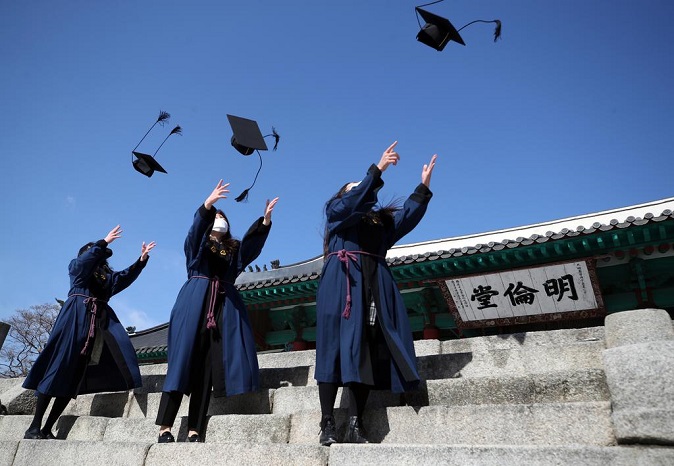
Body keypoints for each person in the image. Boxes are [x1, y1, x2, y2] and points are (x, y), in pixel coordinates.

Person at [315, 141, 437, 445]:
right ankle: (327, 421)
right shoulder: (337, 212)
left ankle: (356, 422)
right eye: (356, 188)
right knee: (332, 349)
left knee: (365, 349)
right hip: (341, 282)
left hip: (373, 284)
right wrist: (377, 171)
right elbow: (352, 200)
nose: (362, 191)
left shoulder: (378, 222)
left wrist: (421, 190)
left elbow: (404, 219)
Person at [156, 180, 279, 443]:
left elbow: (250, 248)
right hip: (194, 302)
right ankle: (165, 427)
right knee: (181, 364)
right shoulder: (197, 247)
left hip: (224, 305)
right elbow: (194, 233)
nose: (219, 218)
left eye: (222, 215)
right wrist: (208, 206)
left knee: (206, 369)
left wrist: (265, 222)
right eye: (215, 217)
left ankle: (194, 429)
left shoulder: (232, 251)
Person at [23, 226, 156, 439]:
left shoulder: (105, 277)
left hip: (93, 324)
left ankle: (48, 427)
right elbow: (84, 262)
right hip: (74, 318)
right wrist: (102, 242)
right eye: (94, 253)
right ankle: (33, 426)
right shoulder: (78, 269)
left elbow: (122, 278)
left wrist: (141, 261)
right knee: (57, 368)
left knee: (74, 377)